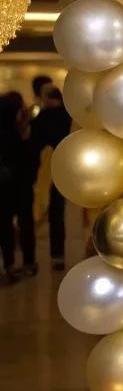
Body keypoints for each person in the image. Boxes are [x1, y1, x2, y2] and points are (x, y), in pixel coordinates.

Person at [32, 83, 71, 270]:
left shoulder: (42, 117)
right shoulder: (68, 115)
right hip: (63, 169)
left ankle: (33, 258)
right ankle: (58, 256)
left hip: (44, 171)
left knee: (40, 210)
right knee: (58, 212)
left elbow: (34, 143)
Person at [0, 91, 37, 283]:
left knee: (7, 225)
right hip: (16, 185)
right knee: (22, 223)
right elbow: (29, 158)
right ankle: (25, 263)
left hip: (10, 186)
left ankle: (10, 264)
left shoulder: (18, 129)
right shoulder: (19, 131)